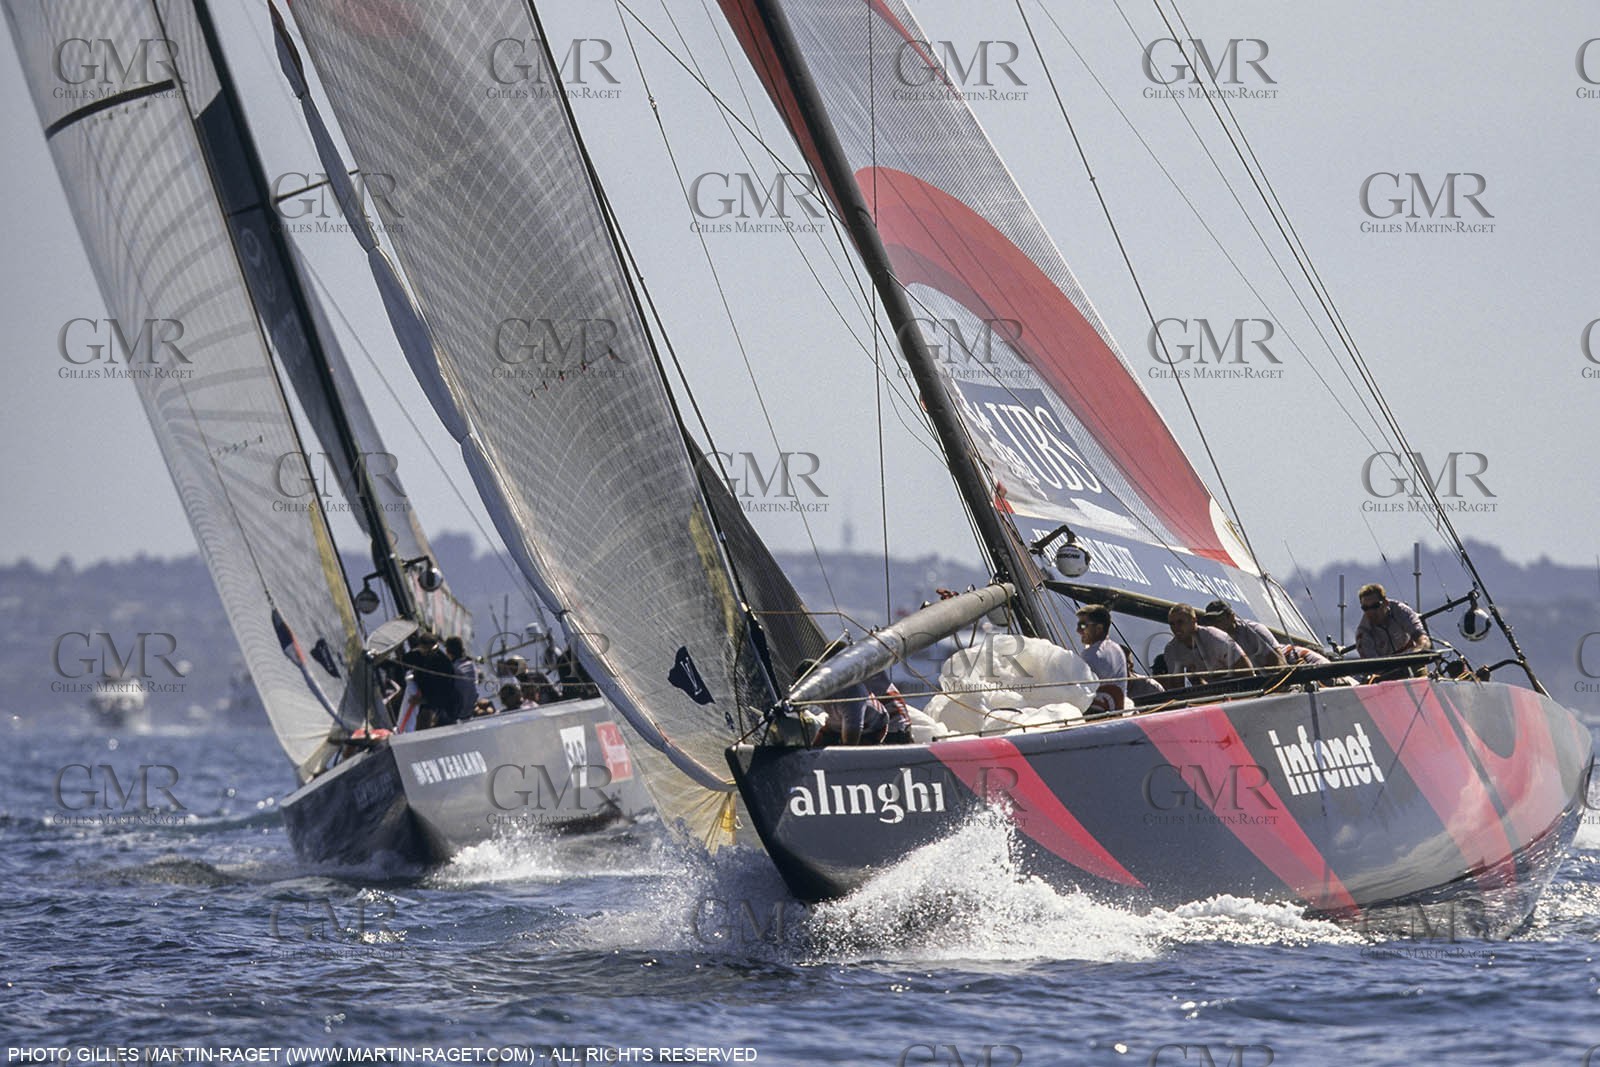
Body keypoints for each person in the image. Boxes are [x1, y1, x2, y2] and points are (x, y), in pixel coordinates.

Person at [1163, 603, 1251, 686]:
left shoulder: (1216, 638)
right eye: (1172, 624)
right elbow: (1177, 687)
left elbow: (1247, 671)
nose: (1175, 628)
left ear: (1194, 620)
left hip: (1237, 690)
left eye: (1180, 622)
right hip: (1209, 696)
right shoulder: (1172, 650)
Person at [1354, 583, 1431, 658]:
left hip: (1412, 659)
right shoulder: (1363, 633)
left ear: (1386, 603)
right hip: (1386, 668)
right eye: (1365, 608)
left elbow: (1421, 637)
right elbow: (1370, 665)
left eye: (1375, 606)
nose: (1371, 611)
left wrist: (1420, 650)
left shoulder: (1400, 610)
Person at [1202, 600, 1286, 668]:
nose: (1215, 625)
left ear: (1231, 617)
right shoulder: (1210, 640)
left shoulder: (1255, 630)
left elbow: (1279, 661)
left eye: (1219, 620)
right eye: (1211, 621)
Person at [1075, 604, 1127, 715]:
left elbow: (1078, 693)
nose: (1078, 630)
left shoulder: (1092, 655)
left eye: (1083, 626)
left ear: (1099, 628)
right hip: (1116, 715)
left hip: (1096, 718)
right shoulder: (1117, 649)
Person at [400, 632, 457, 729]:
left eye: (432, 650)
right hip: (419, 691)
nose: (428, 653)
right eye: (424, 650)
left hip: (435, 703)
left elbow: (445, 693)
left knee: (425, 716)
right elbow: (402, 662)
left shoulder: (444, 664)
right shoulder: (418, 655)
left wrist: (424, 701)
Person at [445, 636, 477, 725]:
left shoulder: (453, 669)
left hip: (457, 715)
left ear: (448, 652)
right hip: (469, 712)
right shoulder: (471, 666)